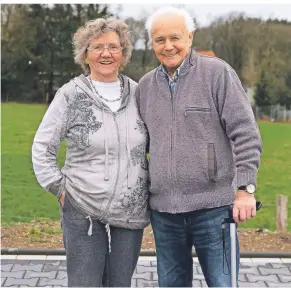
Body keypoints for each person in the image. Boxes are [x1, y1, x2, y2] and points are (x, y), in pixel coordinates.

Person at [135, 6, 262, 287]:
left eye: (175, 37)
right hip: (164, 214)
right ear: (151, 43)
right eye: (160, 40)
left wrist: (245, 189)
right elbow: (137, 147)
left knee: (222, 283)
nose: (168, 46)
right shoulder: (144, 87)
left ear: (190, 37)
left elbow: (246, 134)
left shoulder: (217, 74)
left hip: (213, 210)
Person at [32, 17, 150, 287]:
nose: (106, 53)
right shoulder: (70, 95)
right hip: (81, 204)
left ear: (123, 53)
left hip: (130, 206)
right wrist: (60, 190)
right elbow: (42, 147)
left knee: (120, 283)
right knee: (85, 282)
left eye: (113, 46)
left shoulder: (140, 93)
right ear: (85, 54)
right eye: (97, 47)